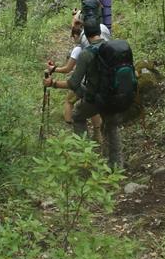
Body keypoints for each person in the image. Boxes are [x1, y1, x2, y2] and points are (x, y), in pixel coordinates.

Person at [44, 21, 123, 169]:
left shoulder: (86, 53)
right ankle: (116, 165)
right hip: (116, 95)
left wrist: (53, 83)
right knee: (112, 125)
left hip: (97, 98)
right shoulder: (113, 47)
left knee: (77, 116)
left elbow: (73, 83)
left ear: (85, 35)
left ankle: (86, 158)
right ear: (101, 32)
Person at [47, 25, 102, 143]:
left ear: (78, 35)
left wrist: (53, 78)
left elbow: (68, 70)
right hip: (103, 87)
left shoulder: (79, 49)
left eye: (73, 37)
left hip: (84, 83)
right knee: (93, 109)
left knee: (69, 101)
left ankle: (69, 127)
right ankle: (98, 134)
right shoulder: (104, 46)